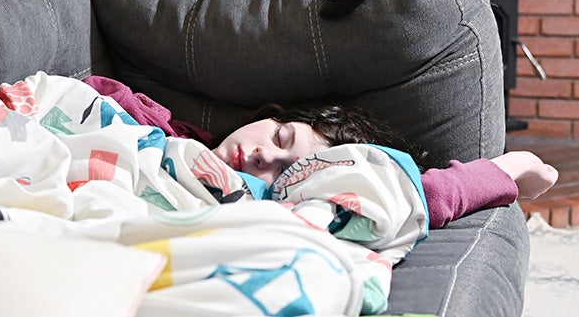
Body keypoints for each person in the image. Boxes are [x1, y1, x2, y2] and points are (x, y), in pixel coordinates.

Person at [210, 102, 559, 228]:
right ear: (273, 116)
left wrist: (516, 163)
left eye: (284, 175)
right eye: (280, 137)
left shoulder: (263, 201)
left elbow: (419, 195)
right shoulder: (163, 125)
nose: (265, 157)